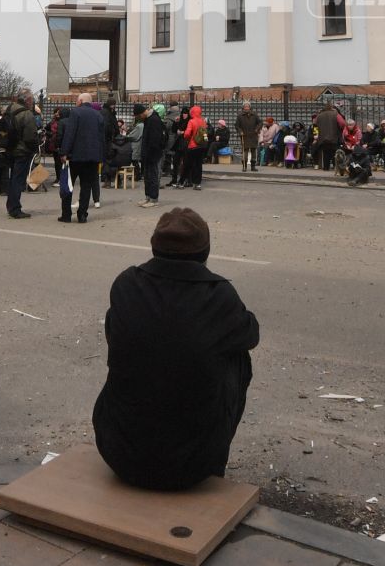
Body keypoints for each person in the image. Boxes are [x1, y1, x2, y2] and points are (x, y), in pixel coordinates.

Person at [92, 207, 259, 491]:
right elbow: (251, 333)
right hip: (193, 466)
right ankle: (210, 447)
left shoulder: (126, 284)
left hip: (119, 453)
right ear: (204, 253)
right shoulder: (218, 296)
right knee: (237, 355)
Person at [58, 92, 108, 223]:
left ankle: (66, 215)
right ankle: (82, 215)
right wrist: (101, 157)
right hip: (92, 158)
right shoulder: (98, 115)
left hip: (75, 156)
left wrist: (64, 152)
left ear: (80, 101)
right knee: (86, 186)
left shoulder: (75, 113)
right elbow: (102, 138)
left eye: (76, 100)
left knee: (69, 185)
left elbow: (70, 134)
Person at [4, 92, 38, 219]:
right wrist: (34, 147)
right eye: (32, 100)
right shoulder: (26, 114)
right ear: (28, 100)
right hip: (22, 151)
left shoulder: (9, 108)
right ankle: (15, 208)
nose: (32, 102)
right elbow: (30, 137)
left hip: (10, 148)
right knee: (18, 180)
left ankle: (11, 206)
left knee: (13, 178)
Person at [136, 104, 167, 208]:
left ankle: (154, 199)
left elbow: (154, 140)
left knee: (153, 176)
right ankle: (148, 197)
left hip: (153, 154)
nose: (139, 118)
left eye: (139, 116)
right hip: (148, 153)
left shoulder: (154, 120)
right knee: (147, 176)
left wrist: (149, 153)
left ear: (142, 113)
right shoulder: (148, 119)